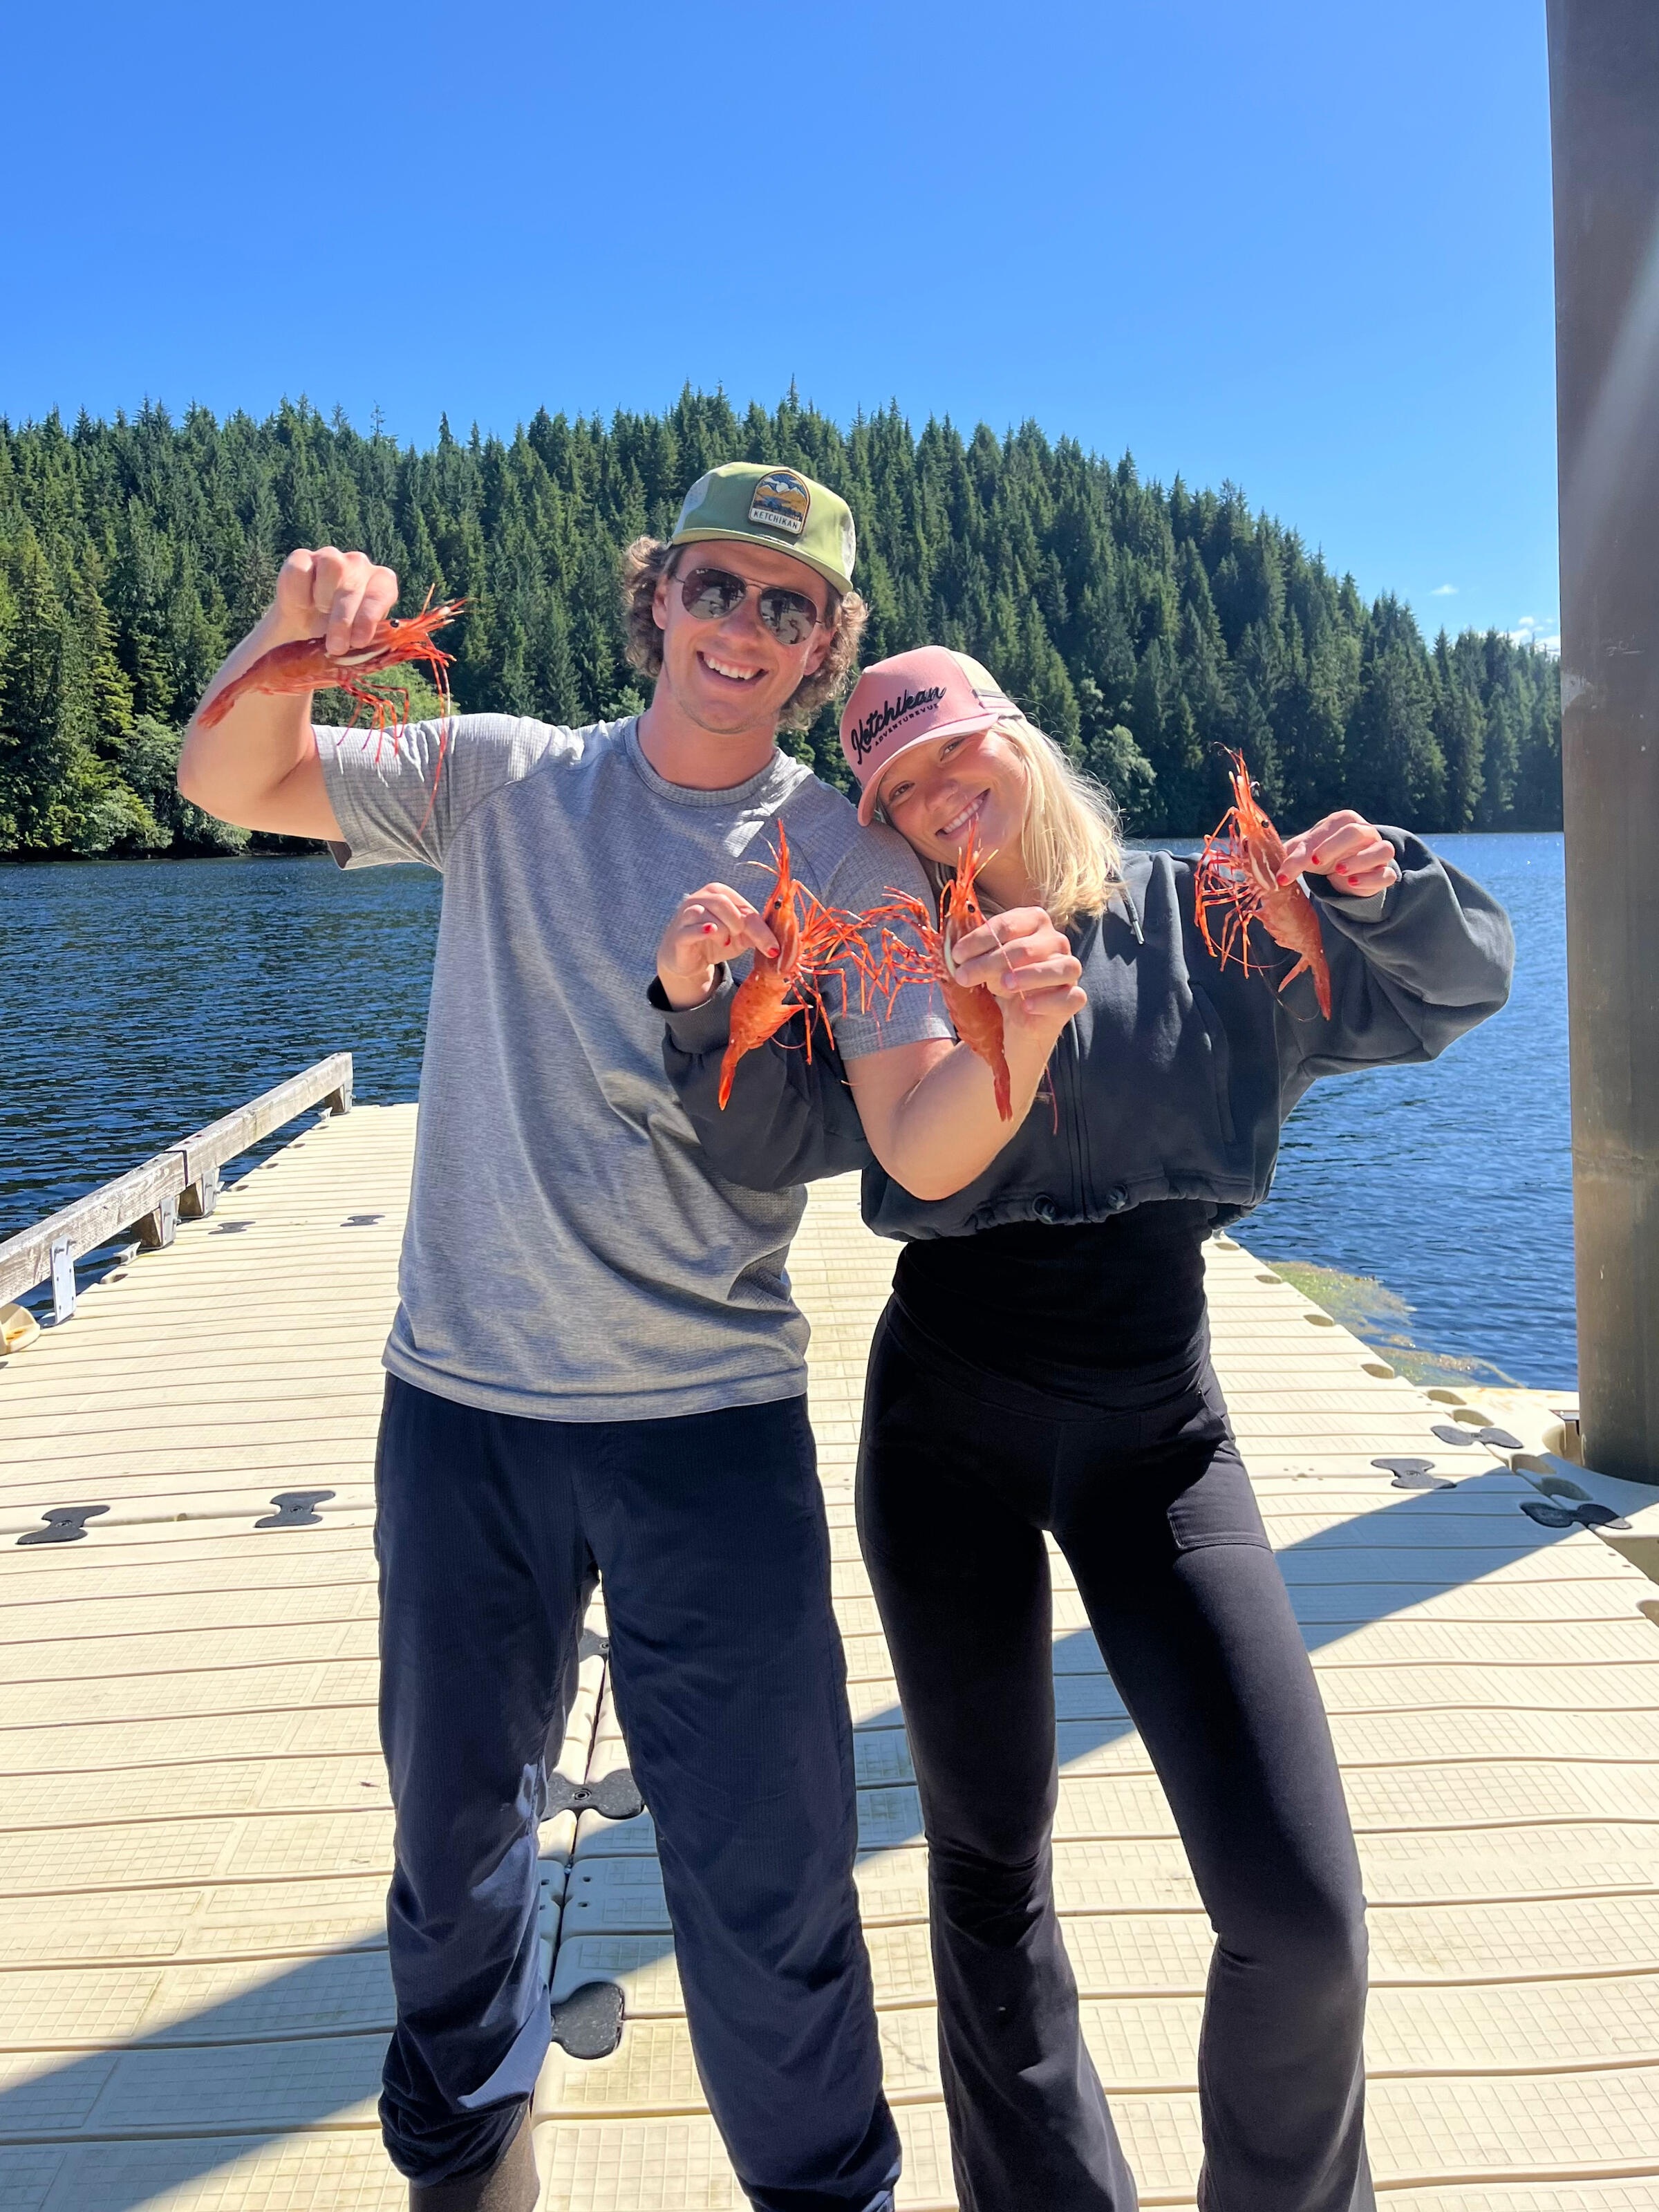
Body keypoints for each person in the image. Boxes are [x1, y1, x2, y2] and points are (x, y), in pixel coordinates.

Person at [176, 473, 1073, 2212]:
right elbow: (234, 778)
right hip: (466, 1411)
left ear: (823, 651)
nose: (743, 628)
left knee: (773, 1870)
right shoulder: (501, 775)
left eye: (787, 607)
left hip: (711, 1426)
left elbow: (917, 1136)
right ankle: (466, 2166)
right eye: (716, 587)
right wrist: (287, 636)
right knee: (453, 1852)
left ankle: (827, 2186)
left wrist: (1019, 1046)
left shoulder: (852, 856)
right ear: (657, 596)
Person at [655, 644, 1515, 2212]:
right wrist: (707, 1001)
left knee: (1303, 1921)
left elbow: (1443, 991)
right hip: (945, 1442)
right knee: (990, 1879)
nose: (935, 797)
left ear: (1022, 738)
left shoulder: (1213, 912)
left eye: (953, 752)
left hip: (1164, 1439)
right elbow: (762, 1134)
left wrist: (1385, 887)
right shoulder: (894, 954)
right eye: (896, 789)